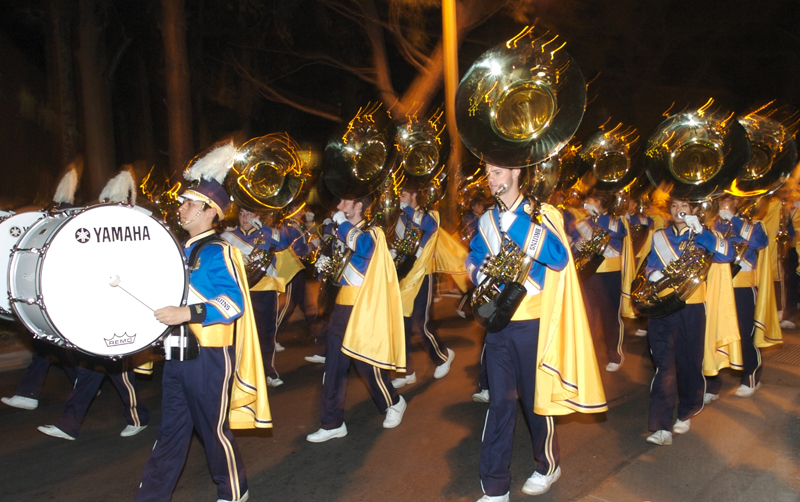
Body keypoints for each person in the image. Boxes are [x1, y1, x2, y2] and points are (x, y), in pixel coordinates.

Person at [135, 144, 270, 502]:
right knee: (170, 432)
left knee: (212, 430)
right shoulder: (180, 249)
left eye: (189, 203)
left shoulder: (218, 251)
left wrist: (187, 313)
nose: (181, 208)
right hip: (177, 355)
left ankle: (233, 490)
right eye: (183, 202)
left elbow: (234, 302)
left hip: (209, 356)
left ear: (211, 211)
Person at [467, 164, 606, 501]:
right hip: (498, 323)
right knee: (499, 403)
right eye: (488, 172)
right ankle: (496, 486)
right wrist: (477, 273)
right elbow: (473, 257)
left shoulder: (543, 214)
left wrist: (516, 225)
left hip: (533, 322)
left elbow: (559, 259)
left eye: (498, 172)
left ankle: (547, 466)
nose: (491, 178)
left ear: (516, 173)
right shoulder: (486, 219)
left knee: (534, 403)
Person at [306, 193, 408, 443]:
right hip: (340, 306)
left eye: (344, 202)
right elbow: (331, 267)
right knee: (334, 367)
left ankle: (393, 401)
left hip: (364, 306)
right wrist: (322, 265)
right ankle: (332, 423)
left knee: (366, 363)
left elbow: (364, 249)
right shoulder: (339, 231)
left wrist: (340, 225)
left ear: (358, 206)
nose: (338, 205)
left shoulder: (374, 232)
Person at [643, 198, 734, 446]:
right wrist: (652, 274)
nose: (678, 211)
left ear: (694, 209)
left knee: (689, 362)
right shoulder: (659, 236)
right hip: (662, 307)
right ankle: (661, 426)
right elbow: (650, 264)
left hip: (692, 306)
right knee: (664, 365)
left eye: (684, 206)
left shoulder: (705, 235)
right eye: (673, 206)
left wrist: (701, 232)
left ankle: (687, 411)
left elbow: (728, 255)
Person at [705, 195, 774, 400]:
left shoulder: (753, 224)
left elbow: (760, 242)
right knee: (713, 335)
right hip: (716, 285)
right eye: (721, 200)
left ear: (736, 202)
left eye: (728, 200)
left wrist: (734, 219)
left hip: (741, 286)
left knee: (745, 334)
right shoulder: (711, 223)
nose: (723, 203)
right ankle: (712, 383)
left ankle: (751, 377)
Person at [390, 184, 455, 388]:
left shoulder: (430, 214)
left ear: (415, 194)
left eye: (404, 194)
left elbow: (431, 227)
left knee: (420, 324)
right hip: (405, 277)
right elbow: (397, 243)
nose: (400, 198)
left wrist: (406, 209)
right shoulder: (398, 219)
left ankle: (443, 356)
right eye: (399, 194)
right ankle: (405, 371)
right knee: (401, 325)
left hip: (423, 276)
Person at [225, 207, 288, 387]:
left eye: (249, 213)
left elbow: (284, 242)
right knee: (240, 335)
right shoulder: (228, 236)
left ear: (257, 215)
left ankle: (269, 372)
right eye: (241, 213)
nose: (244, 217)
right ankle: (240, 373)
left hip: (265, 289)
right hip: (240, 292)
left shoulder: (267, 233)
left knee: (267, 334)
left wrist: (264, 228)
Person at [274, 205, 318, 355]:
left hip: (298, 268)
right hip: (293, 268)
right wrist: (313, 245)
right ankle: (271, 337)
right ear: (292, 210)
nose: (303, 211)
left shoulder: (296, 225)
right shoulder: (291, 226)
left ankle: (319, 335)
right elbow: (298, 249)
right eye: (300, 209)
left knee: (307, 305)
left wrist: (309, 225)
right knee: (288, 305)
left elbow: (306, 235)